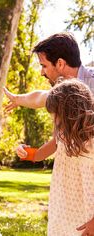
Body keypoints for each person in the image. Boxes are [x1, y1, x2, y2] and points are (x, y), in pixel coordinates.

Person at [16, 80, 94, 236]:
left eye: (57, 118)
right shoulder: (63, 136)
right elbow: (39, 155)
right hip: (63, 207)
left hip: (89, 211)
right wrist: (26, 152)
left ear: (71, 113)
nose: (55, 123)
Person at [4, 32, 94, 110]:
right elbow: (39, 98)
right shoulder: (65, 91)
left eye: (44, 66)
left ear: (60, 64)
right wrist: (17, 99)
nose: (42, 73)